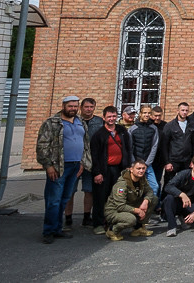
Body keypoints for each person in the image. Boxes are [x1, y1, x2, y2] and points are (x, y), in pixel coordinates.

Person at [37, 95, 91, 243]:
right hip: (58, 167)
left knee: (64, 199)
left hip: (75, 166)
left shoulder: (80, 122)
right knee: (53, 200)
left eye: (75, 106)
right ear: (64, 106)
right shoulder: (52, 122)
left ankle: (57, 229)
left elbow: (85, 145)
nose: (73, 109)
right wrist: (48, 166)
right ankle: (48, 231)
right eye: (70, 106)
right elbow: (42, 146)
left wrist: (82, 163)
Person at [89, 105, 132, 234]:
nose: (112, 119)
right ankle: (98, 224)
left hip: (119, 169)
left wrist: (128, 166)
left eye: (114, 116)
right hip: (104, 170)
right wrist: (97, 173)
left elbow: (128, 149)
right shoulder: (99, 134)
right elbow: (94, 155)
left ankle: (112, 221)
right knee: (100, 197)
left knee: (117, 197)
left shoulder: (122, 130)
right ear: (104, 117)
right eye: (109, 116)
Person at [65, 97, 104, 228]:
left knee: (89, 190)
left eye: (91, 107)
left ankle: (87, 217)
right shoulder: (74, 120)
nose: (88, 109)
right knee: (70, 191)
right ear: (81, 108)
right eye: (86, 107)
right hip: (74, 160)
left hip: (91, 161)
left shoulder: (99, 122)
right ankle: (68, 218)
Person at [103, 159, 156, 241]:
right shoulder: (122, 184)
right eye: (138, 168)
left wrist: (145, 201)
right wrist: (138, 211)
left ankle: (138, 228)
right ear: (131, 169)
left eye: (143, 168)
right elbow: (120, 206)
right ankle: (112, 230)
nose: (141, 171)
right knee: (130, 219)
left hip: (130, 205)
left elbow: (150, 191)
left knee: (154, 199)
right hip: (114, 210)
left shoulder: (141, 179)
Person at [162, 155, 194, 237]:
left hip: (189, 205)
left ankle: (185, 219)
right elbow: (168, 186)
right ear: (192, 165)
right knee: (169, 198)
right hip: (176, 203)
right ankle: (172, 227)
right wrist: (181, 194)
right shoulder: (183, 174)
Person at [161, 102, 194, 186]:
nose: (184, 112)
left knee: (185, 184)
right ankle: (165, 199)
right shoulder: (169, 126)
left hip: (187, 161)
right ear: (177, 111)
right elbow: (164, 145)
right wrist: (166, 162)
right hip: (173, 161)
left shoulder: (192, 125)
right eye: (182, 110)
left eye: (186, 110)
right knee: (169, 183)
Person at [128, 105, 162, 196]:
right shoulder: (133, 129)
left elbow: (154, 146)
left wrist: (147, 163)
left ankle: (150, 208)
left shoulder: (153, 128)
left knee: (154, 186)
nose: (147, 115)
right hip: (135, 163)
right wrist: (133, 163)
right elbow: (129, 147)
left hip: (148, 164)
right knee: (134, 188)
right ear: (140, 114)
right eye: (145, 113)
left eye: (149, 113)